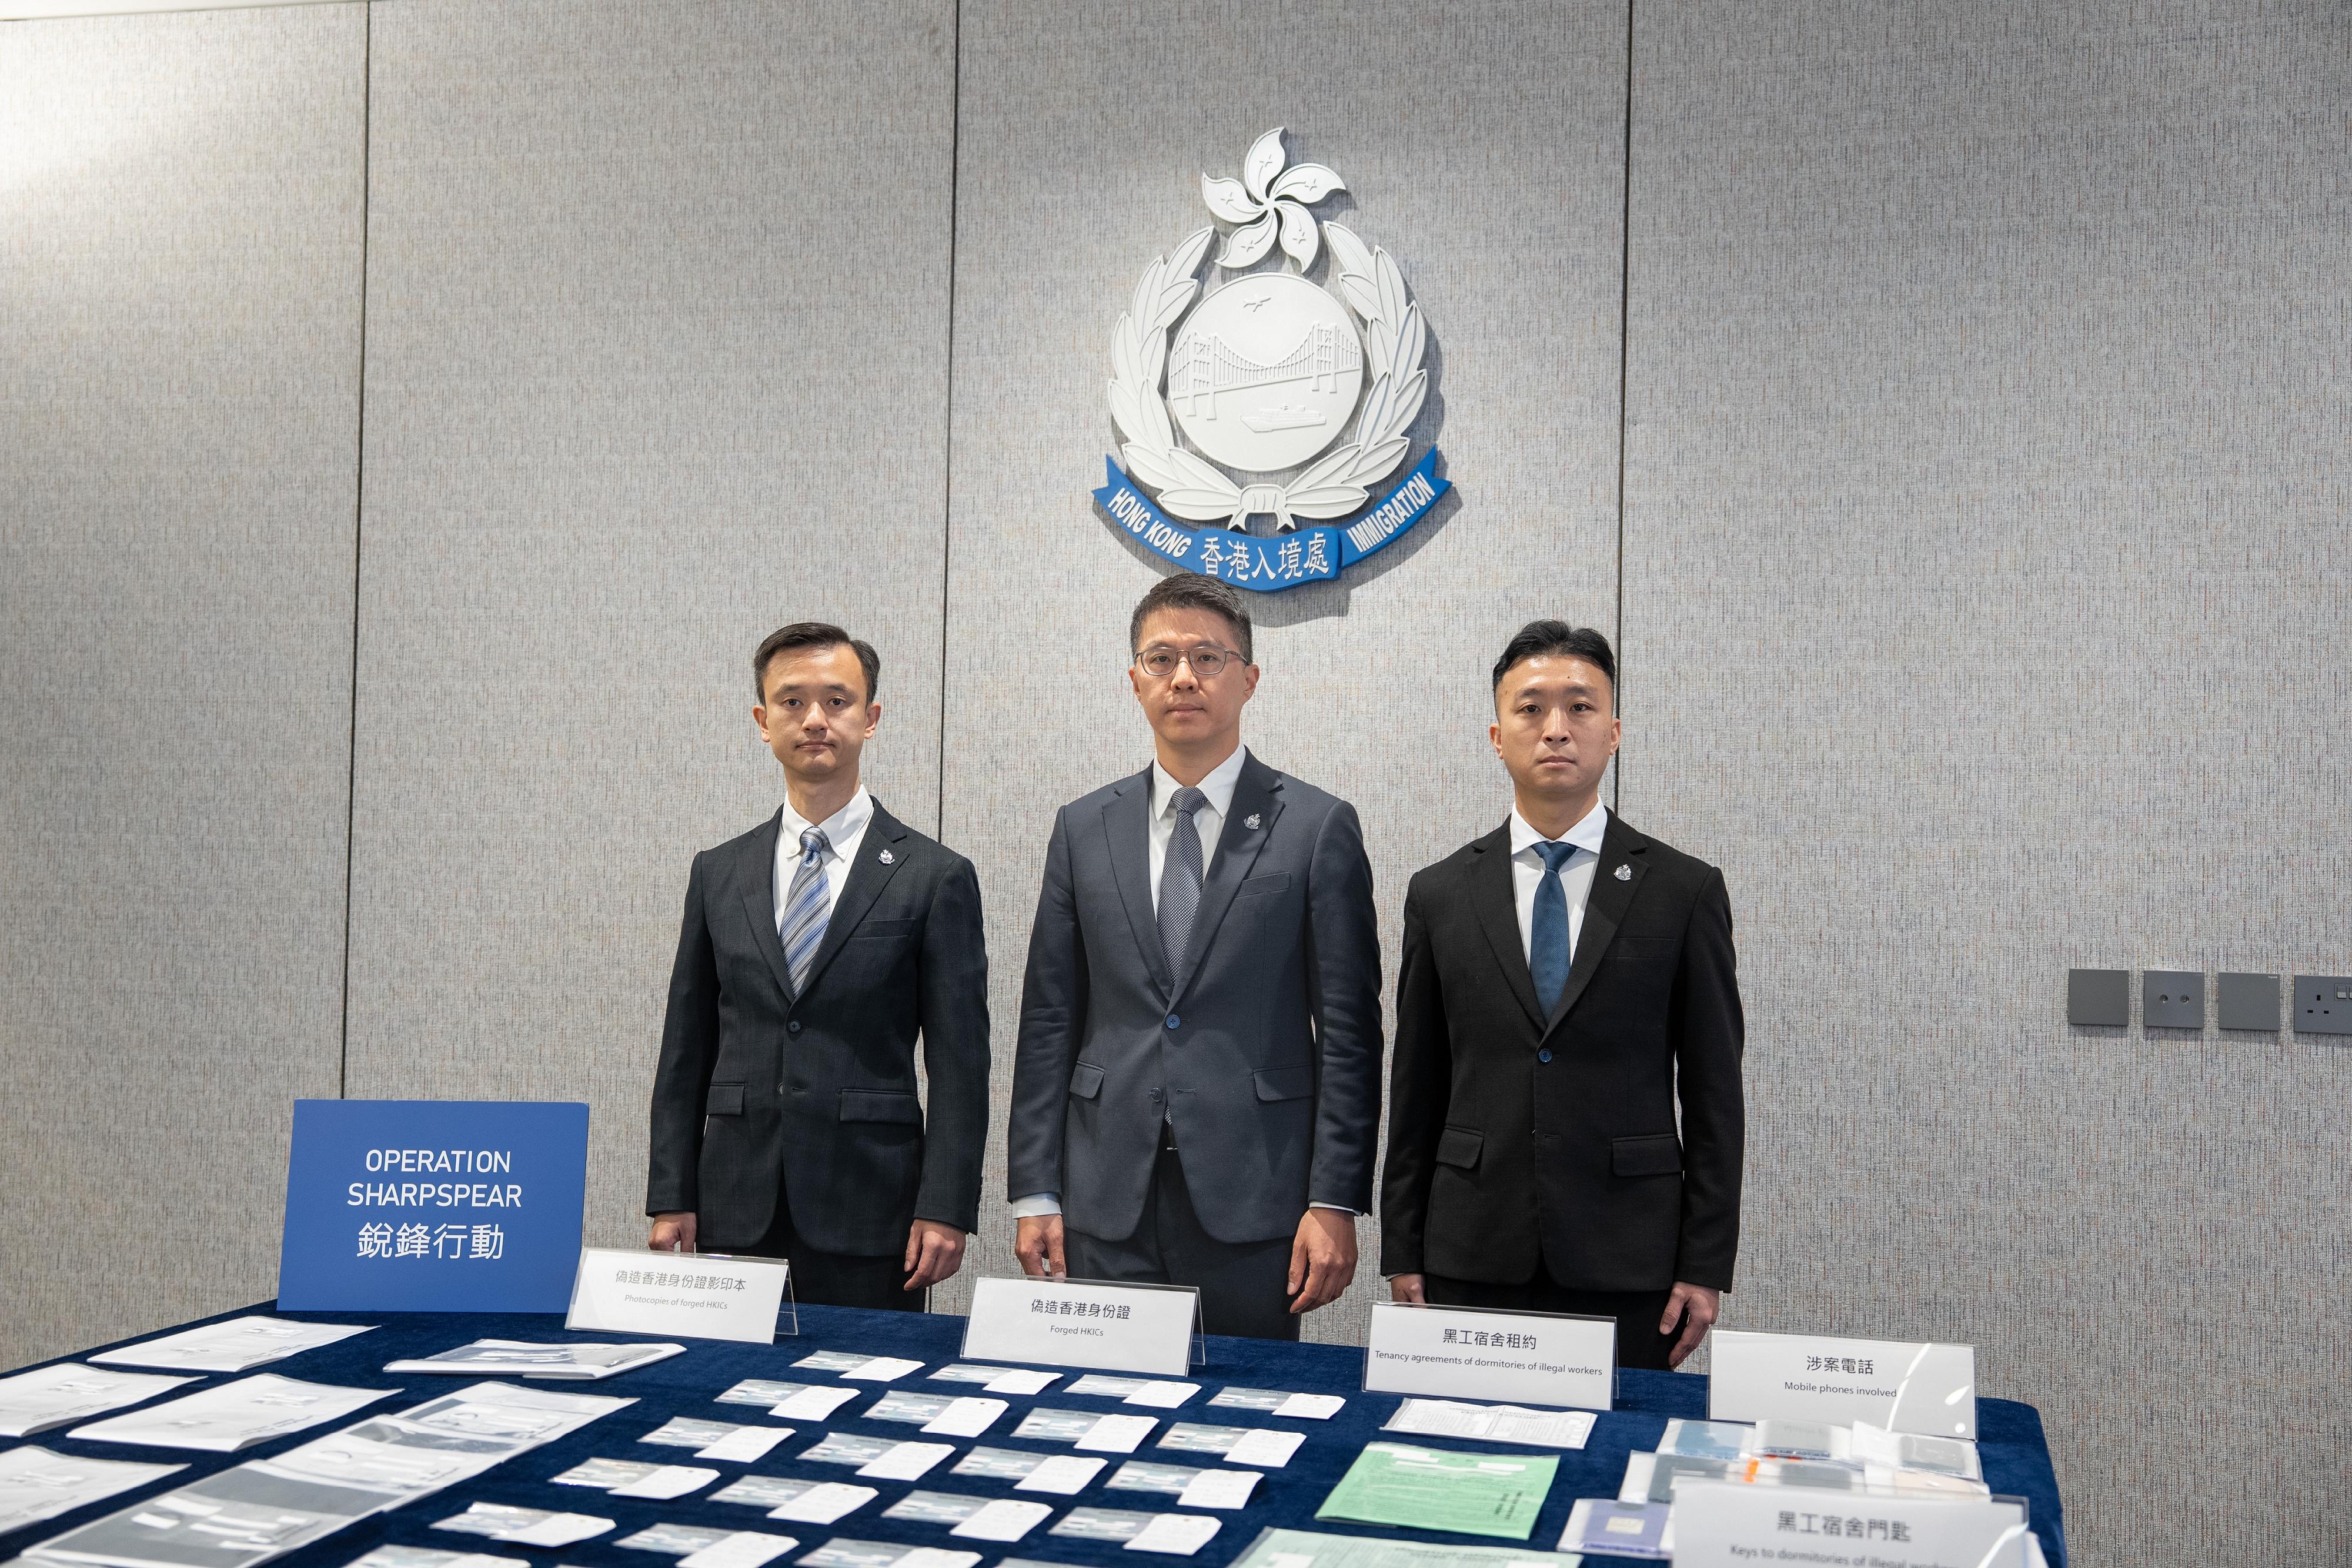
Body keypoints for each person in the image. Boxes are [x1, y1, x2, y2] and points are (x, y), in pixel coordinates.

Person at [1007, 572, 1382, 1340]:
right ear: (1134, 680)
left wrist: (1334, 1198)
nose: (1184, 676)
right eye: (1161, 657)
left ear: (1249, 679)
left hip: (1257, 1196)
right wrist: (1035, 1190)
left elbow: (1349, 1034)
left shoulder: (1314, 826)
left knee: (1244, 1421)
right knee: (1101, 1416)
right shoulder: (1083, 828)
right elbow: (1049, 1018)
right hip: (1106, 1193)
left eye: (1209, 657)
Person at [1379, 621, 1743, 1369]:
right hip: (1469, 1248)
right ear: (1495, 734)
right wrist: (1402, 1246)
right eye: (1530, 708)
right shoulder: (1441, 893)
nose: (1555, 729)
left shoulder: (1683, 891)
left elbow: (1714, 1096)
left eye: (1579, 708)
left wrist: (1704, 1265)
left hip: (1629, 1253)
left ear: (1612, 733)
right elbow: (1416, 1085)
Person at [644, 622, 988, 1309]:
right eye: (792, 702)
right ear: (761, 722)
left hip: (871, 1204)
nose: (815, 720)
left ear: (871, 718)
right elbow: (686, 1049)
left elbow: (960, 1064)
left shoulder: (933, 875)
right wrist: (671, 1193)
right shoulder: (719, 873)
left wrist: (946, 1205)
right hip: (734, 1202)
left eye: (837, 701)